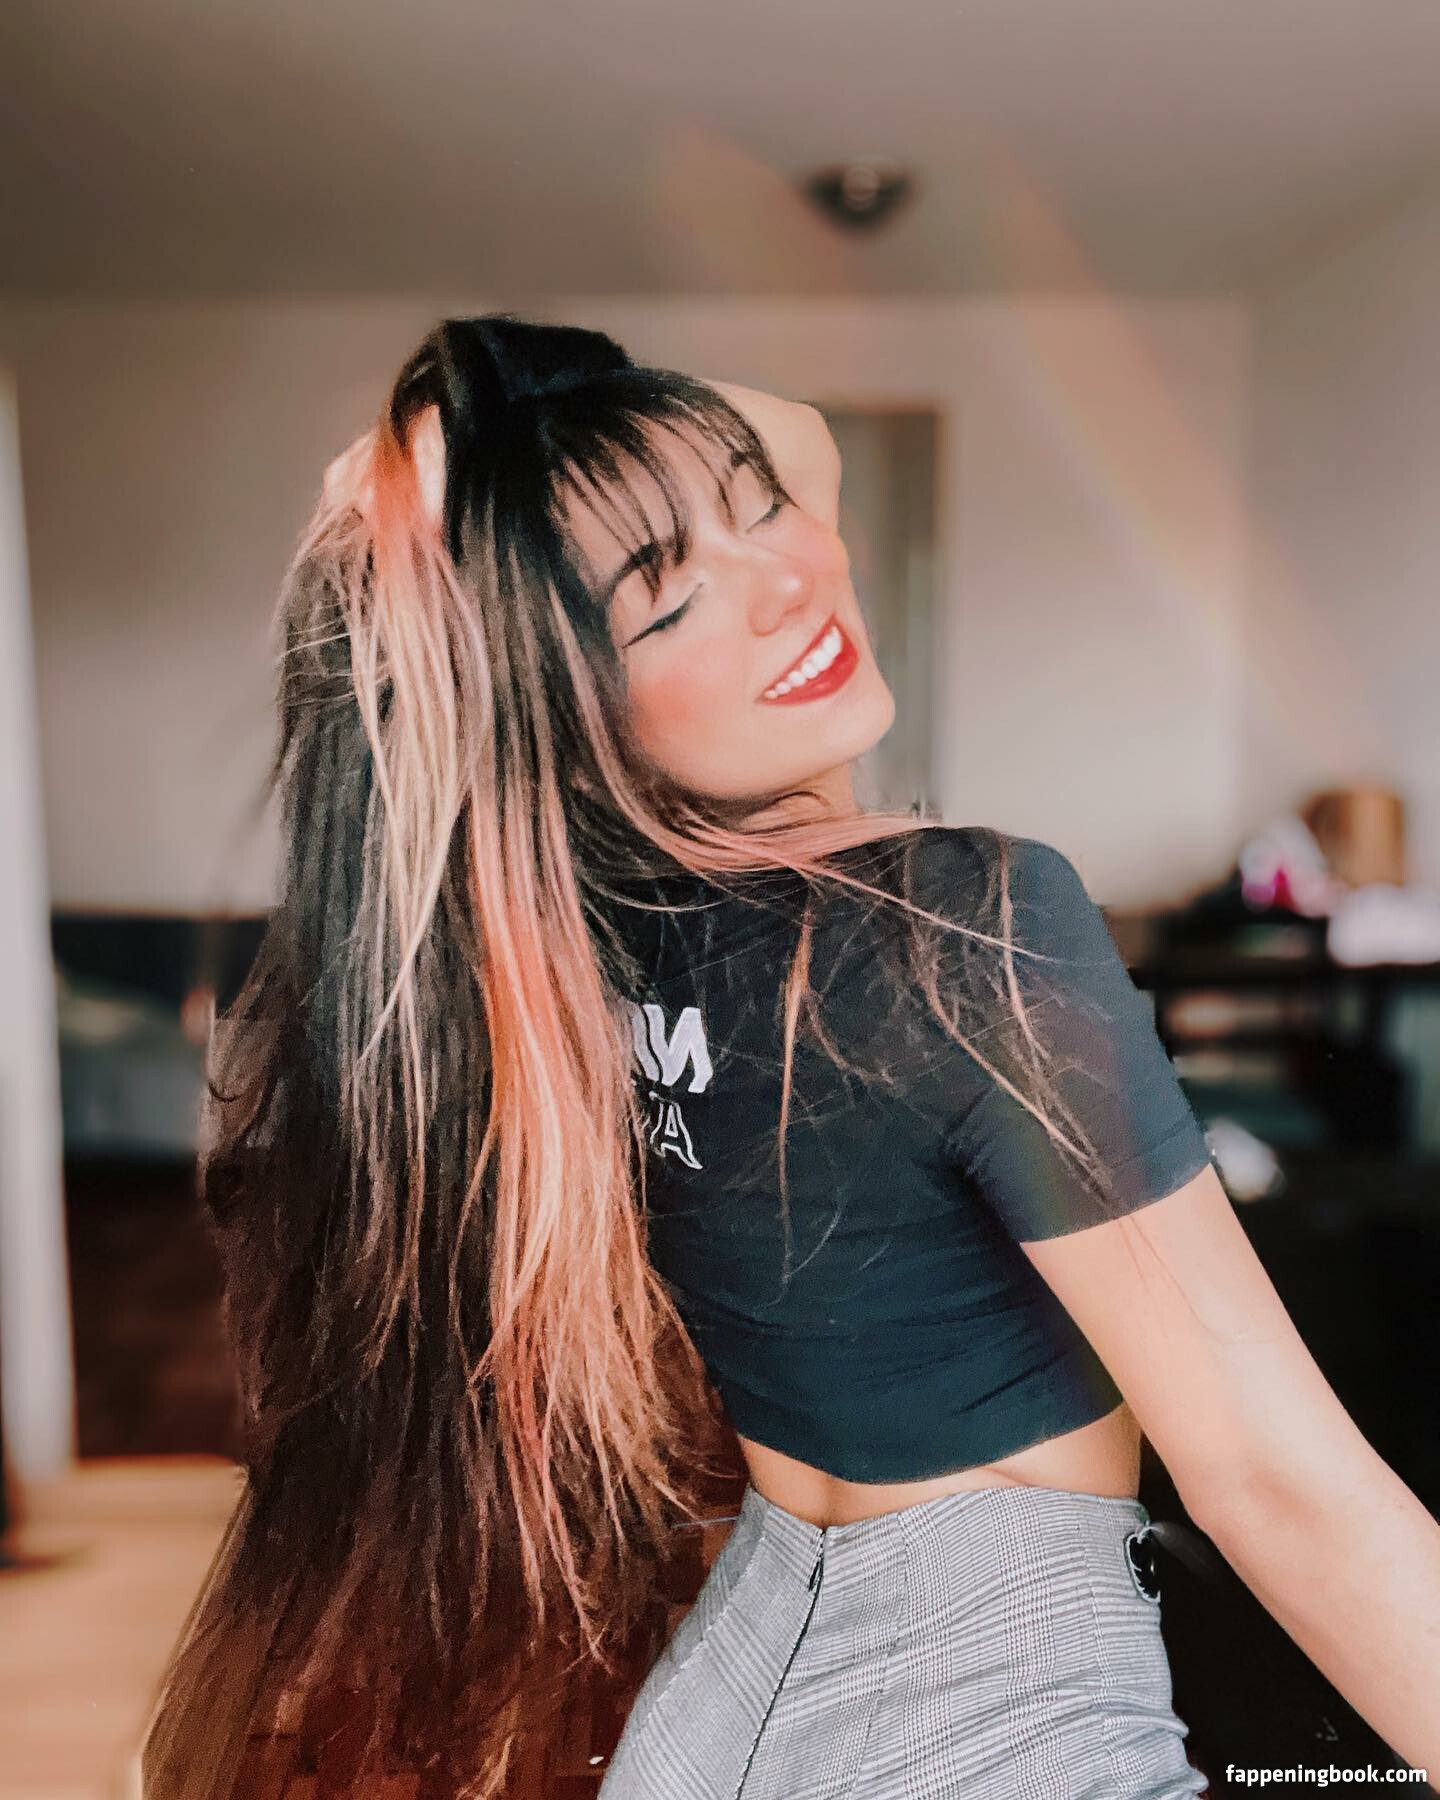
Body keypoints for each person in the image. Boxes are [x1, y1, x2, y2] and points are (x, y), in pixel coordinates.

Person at [141, 313, 1440, 1799]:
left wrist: (508, 436)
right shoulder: (961, 922)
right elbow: (1276, 1480)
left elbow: (794, 446)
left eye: (755, 505)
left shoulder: (575, 948)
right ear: (565, 703)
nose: (795, 575)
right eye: (669, 601)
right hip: (990, 1728)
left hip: (719, 1719)